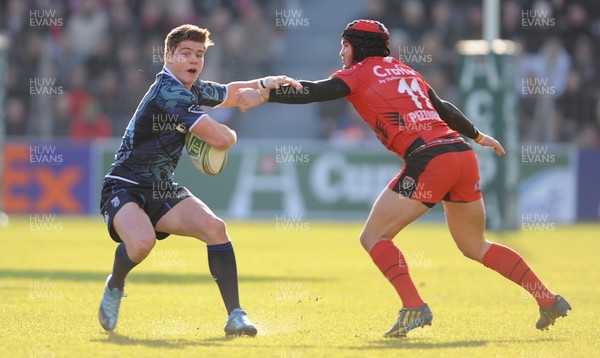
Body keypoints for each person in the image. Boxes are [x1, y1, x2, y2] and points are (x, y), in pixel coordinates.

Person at [236, 19, 571, 337]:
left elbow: (316, 91)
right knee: (475, 245)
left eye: (344, 45)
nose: (341, 53)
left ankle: (414, 306)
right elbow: (442, 107)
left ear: (358, 48)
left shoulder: (359, 73)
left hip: (430, 159)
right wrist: (478, 135)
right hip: (461, 153)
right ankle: (547, 299)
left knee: (373, 236)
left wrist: (267, 93)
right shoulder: (405, 69)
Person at [98, 24, 300, 336]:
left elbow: (228, 93)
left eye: (200, 54)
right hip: (124, 185)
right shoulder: (170, 93)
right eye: (186, 53)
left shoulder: (191, 88)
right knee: (141, 243)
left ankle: (236, 316)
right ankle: (115, 284)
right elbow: (220, 138)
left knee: (215, 228)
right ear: (168, 55)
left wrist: (263, 85)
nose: (194, 60)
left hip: (161, 187)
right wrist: (232, 131)